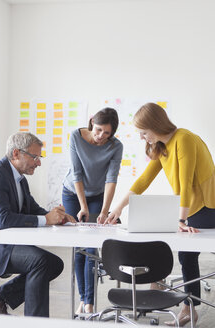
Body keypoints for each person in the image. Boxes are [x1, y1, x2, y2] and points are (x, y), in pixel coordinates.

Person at [106, 103, 215, 327]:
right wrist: (118, 207)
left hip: (210, 210)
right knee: (153, 227)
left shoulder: (184, 139)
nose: (142, 138)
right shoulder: (161, 146)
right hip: (190, 208)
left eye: (144, 132)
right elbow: (143, 181)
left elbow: (185, 184)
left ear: (155, 125)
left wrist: (180, 220)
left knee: (186, 252)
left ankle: (188, 308)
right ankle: (157, 280)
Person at [0, 132, 75, 317]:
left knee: (54, 263)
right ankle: (35, 321)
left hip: (4, 242)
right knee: (41, 261)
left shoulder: (19, 179)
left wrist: (58, 217)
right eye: (35, 157)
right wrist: (46, 220)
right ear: (16, 153)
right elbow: (4, 219)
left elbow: (32, 208)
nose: (39, 162)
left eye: (39, 157)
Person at [62, 107, 123, 314]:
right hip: (72, 194)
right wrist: (83, 207)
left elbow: (111, 179)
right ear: (91, 123)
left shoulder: (116, 146)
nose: (100, 137)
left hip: (97, 196)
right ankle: (82, 298)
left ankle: (89, 302)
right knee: (78, 247)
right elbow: (77, 173)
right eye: (98, 130)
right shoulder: (76, 137)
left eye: (107, 133)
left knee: (91, 248)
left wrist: (104, 211)